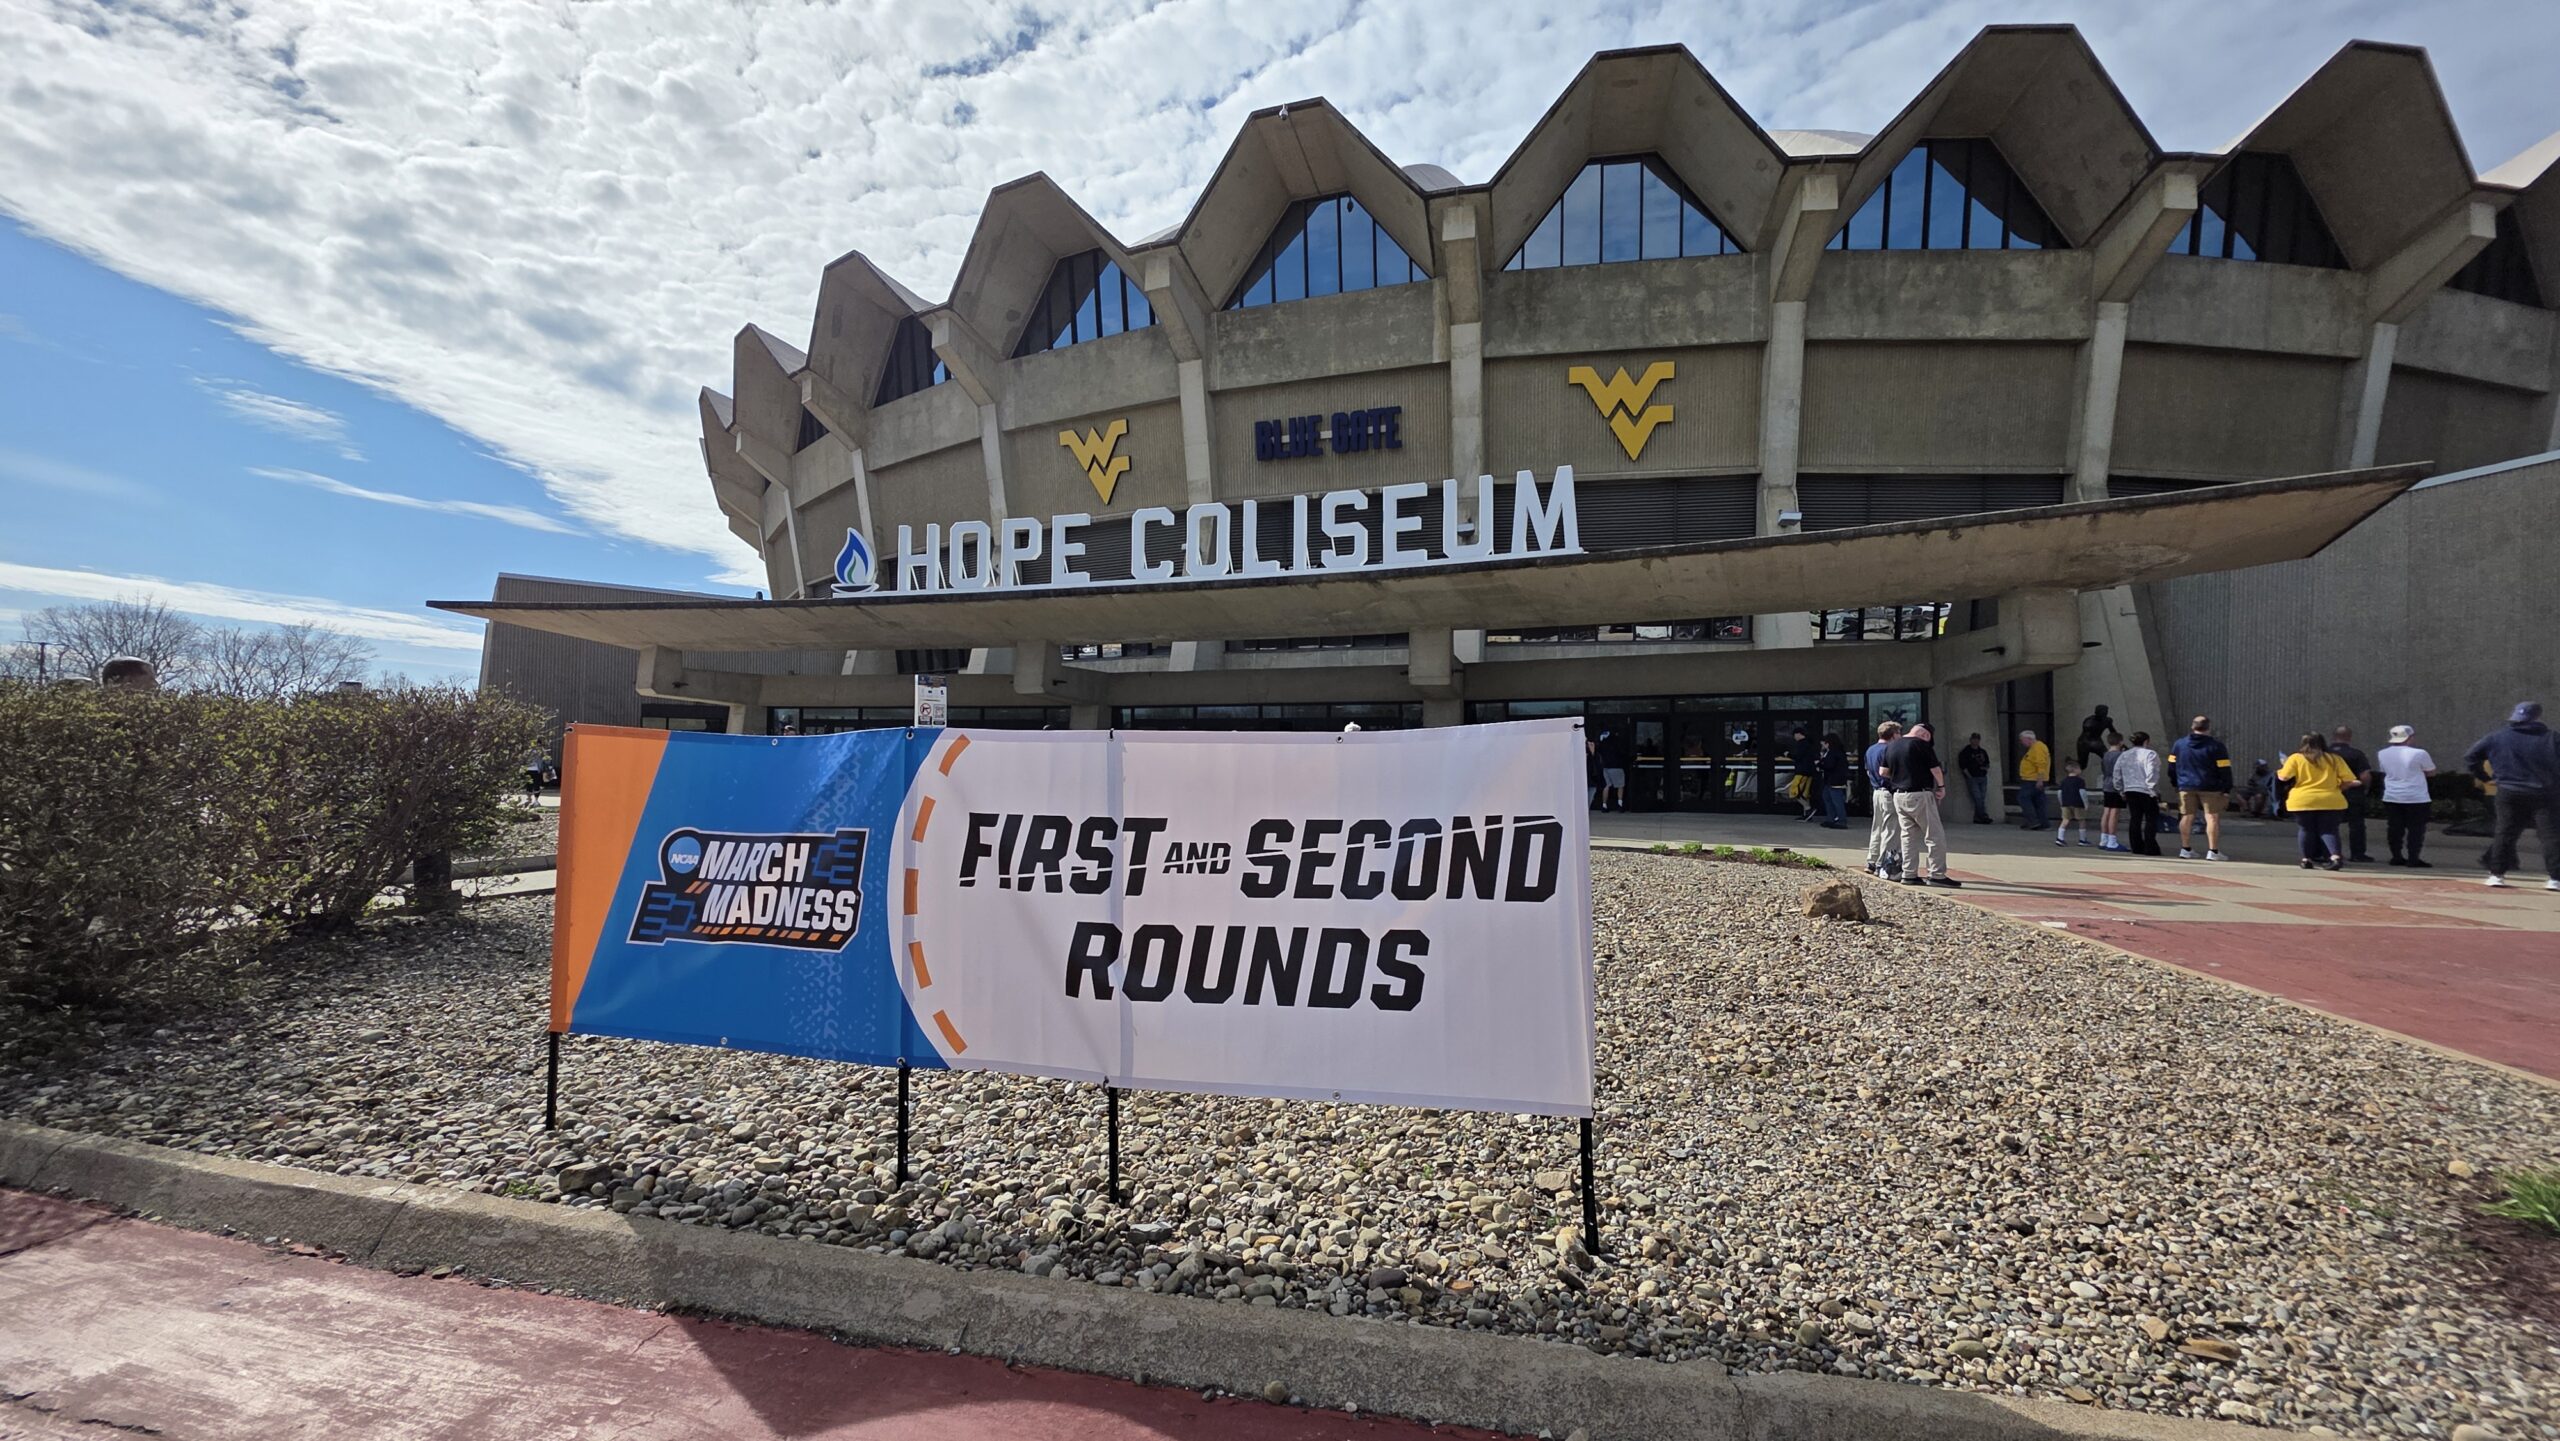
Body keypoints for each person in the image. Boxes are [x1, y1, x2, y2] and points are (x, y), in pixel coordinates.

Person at [2464, 701, 2559, 891]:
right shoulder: (2552, 738)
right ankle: (2555, 878)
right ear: (2537, 717)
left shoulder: (2497, 737)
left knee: (2505, 832)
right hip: (2545, 793)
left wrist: (2485, 777)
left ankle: (2496, 875)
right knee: (2551, 836)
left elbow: (2471, 757)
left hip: (2509, 790)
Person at [1882, 721, 1960, 887]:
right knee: (1934, 836)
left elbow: (1883, 772)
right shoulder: (1921, 745)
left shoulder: (1892, 745)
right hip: (1920, 794)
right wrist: (1941, 787)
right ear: (1926, 735)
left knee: (1908, 836)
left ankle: (1909, 873)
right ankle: (1936, 874)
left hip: (1899, 796)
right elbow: (1936, 769)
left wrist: (1900, 778)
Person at [2278, 732, 2356, 871]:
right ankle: (2335, 857)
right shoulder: (2334, 759)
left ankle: (2306, 859)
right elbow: (2349, 780)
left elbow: (2284, 777)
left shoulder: (2296, 758)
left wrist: (2283, 766)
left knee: (2306, 829)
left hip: (2303, 800)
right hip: (2331, 799)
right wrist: (2338, 788)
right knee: (2329, 830)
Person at [2170, 715, 2234, 861]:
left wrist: (2176, 782)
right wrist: (2226, 788)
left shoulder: (2179, 744)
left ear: (2192, 727)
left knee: (2186, 816)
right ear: (2208, 728)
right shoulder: (2216, 746)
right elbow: (2224, 768)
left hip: (2185, 785)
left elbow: (2172, 765)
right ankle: (2213, 851)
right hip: (2210, 786)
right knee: (2212, 817)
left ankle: (2185, 849)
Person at [2376, 724, 2438, 868]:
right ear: (2409, 738)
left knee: (2394, 828)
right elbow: (2431, 772)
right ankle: (2413, 858)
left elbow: (2383, 771)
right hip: (2416, 796)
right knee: (2416, 829)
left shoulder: (2382, 753)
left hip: (2392, 795)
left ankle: (2396, 856)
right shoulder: (2420, 753)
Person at [1863, 721, 1904, 878]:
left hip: (1876, 792)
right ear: (1893, 735)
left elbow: (1868, 771)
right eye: (1899, 733)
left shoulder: (1870, 750)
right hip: (1888, 791)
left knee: (1877, 827)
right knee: (1891, 829)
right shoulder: (1889, 749)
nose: (1900, 736)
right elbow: (1887, 772)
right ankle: (1883, 863)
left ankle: (1871, 861)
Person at [2330, 725, 2375, 862]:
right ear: (2349, 737)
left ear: (2334, 736)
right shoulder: (2356, 754)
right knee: (2356, 825)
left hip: (2331, 792)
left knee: (2330, 825)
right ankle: (2357, 854)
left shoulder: (2326, 753)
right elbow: (2365, 775)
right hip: (2353, 793)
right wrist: (2366, 788)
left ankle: (2331, 852)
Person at [2120, 731, 2165, 855]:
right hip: (2146, 790)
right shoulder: (2150, 754)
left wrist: (2120, 789)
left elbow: (2117, 772)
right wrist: (2152, 788)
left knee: (2135, 818)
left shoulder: (2124, 755)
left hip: (2130, 789)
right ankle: (2150, 846)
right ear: (2146, 741)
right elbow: (2152, 772)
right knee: (2151, 818)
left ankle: (2136, 846)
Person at [2097, 732, 2129, 851]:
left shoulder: (2106, 755)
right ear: (2120, 742)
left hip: (2106, 783)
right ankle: (2112, 840)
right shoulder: (2121, 755)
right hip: (2116, 785)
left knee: (2107, 811)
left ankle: (2103, 838)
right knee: (2114, 813)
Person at [2016, 730, 2052, 830]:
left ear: (2029, 739)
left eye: (2022, 740)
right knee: (2038, 801)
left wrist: (2039, 779)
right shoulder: (2036, 747)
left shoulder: (2038, 747)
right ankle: (2043, 823)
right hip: (2034, 779)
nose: (2022, 743)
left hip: (2032, 779)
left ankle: (2033, 821)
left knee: (2023, 798)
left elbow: (2041, 764)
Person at [1815, 733, 1850, 828]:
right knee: (1827, 797)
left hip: (1835, 780)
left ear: (1828, 743)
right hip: (1831, 780)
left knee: (1836, 800)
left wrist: (1819, 764)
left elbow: (1829, 765)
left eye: (1824, 744)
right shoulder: (1838, 752)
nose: (1823, 746)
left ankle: (1841, 820)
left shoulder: (1833, 753)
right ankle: (1831, 818)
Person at [1956, 732, 1993, 823]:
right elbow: (1962, 766)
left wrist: (1985, 769)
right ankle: (1983, 816)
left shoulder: (1982, 751)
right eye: (1974, 739)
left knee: (1982, 798)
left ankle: (1978, 817)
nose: (1975, 741)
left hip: (1982, 777)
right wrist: (1969, 776)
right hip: (1972, 777)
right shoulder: (1965, 752)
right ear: (1970, 740)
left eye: (1977, 739)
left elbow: (1987, 764)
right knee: (1977, 797)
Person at [1595, 728, 1633, 813]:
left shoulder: (1603, 743)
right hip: (1617, 766)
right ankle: (1620, 804)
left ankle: (1604, 805)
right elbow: (1623, 753)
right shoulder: (1617, 741)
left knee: (1606, 786)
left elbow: (1598, 751)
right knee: (1620, 786)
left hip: (1606, 767)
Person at [1787, 727, 1821, 820]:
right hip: (1809, 772)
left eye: (1794, 735)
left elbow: (1798, 756)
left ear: (1798, 734)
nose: (1794, 737)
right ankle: (1807, 814)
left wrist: (1788, 755)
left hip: (1802, 771)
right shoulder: (1810, 744)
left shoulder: (1802, 744)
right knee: (1804, 793)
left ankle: (1808, 808)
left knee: (1794, 791)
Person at [2056, 762, 2090, 846]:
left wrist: (2061, 803)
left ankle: (2060, 838)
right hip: (2078, 803)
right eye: (2079, 768)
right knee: (2081, 820)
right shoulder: (2080, 781)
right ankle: (2082, 839)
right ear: (2075, 770)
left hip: (2066, 803)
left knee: (2065, 820)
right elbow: (2082, 792)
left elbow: (2059, 793)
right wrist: (2086, 803)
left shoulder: (2063, 781)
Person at [2075, 704, 2112, 772]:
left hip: (2097, 742)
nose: (2105, 715)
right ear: (2096, 713)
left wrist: (2118, 742)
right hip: (2084, 743)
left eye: (2105, 713)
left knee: (2108, 758)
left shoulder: (2107, 721)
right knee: (2083, 765)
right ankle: (2072, 765)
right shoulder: (2089, 722)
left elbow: (2112, 731)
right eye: (2103, 714)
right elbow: (2085, 737)